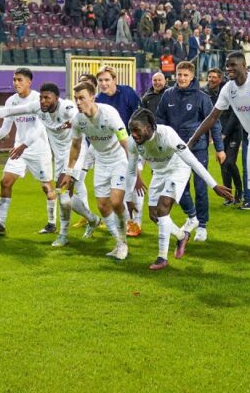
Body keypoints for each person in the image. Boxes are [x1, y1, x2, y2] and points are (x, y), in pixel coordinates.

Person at [0, 83, 100, 246]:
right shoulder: (38, 108)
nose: (43, 101)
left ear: (57, 98)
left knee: (62, 195)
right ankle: (92, 219)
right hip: (59, 156)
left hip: (75, 152)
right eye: (41, 97)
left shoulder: (66, 107)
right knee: (65, 198)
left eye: (47, 98)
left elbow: (76, 113)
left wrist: (74, 121)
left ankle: (63, 235)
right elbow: (10, 111)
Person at [189, 51, 250, 255]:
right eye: (227, 65)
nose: (228, 68)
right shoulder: (228, 89)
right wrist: (193, 140)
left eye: (232, 65)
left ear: (244, 66)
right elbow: (213, 117)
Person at [127, 109, 233, 270]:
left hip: (178, 169)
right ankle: (181, 235)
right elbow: (130, 170)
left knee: (163, 209)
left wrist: (214, 185)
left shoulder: (167, 134)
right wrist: (129, 198)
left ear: (148, 127)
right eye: (131, 131)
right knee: (154, 216)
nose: (133, 135)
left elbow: (192, 161)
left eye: (137, 130)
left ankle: (162, 258)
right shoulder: (133, 142)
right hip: (159, 172)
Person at [0, 68, 58, 235]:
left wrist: (24, 145)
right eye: (14, 79)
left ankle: (52, 223)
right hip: (18, 150)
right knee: (5, 182)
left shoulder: (39, 99)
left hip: (38, 150)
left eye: (19, 80)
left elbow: (39, 128)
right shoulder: (11, 101)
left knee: (47, 188)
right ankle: (0, 224)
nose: (16, 83)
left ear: (29, 82)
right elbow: (5, 128)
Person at [60, 81, 131, 261]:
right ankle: (119, 242)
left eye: (82, 98)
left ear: (93, 97)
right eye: (76, 98)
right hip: (101, 162)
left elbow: (125, 141)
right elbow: (75, 146)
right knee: (102, 206)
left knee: (116, 201)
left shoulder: (109, 114)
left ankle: (125, 234)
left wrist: (134, 169)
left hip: (119, 160)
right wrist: (69, 172)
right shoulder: (79, 120)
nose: (78, 102)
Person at [155, 61, 224, 241]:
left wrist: (219, 148)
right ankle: (192, 216)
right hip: (174, 150)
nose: (182, 78)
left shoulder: (202, 97)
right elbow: (160, 120)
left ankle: (202, 226)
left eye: (185, 75)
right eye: (179, 74)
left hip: (197, 148)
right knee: (180, 188)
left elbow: (214, 123)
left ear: (192, 77)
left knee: (200, 187)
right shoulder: (168, 95)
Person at [95, 66, 144, 235]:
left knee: (134, 181)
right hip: (114, 149)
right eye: (100, 80)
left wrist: (137, 140)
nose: (103, 83)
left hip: (134, 142)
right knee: (119, 186)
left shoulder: (128, 93)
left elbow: (139, 116)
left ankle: (137, 222)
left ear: (114, 80)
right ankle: (126, 221)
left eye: (107, 80)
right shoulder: (99, 100)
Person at [204, 68, 243, 205]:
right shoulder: (205, 93)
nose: (211, 80)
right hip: (219, 133)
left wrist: (224, 133)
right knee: (223, 163)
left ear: (220, 79)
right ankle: (228, 195)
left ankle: (239, 192)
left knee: (230, 163)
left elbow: (235, 114)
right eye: (209, 77)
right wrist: (212, 133)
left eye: (214, 77)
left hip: (233, 132)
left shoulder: (229, 90)